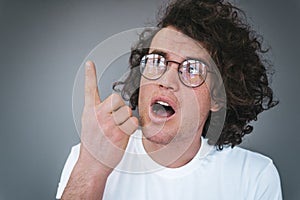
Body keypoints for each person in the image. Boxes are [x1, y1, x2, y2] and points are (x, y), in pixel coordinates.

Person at [56, 0, 282, 199]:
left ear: (218, 97)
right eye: (157, 61)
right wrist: (92, 168)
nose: (166, 80)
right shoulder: (87, 156)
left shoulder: (254, 176)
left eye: (192, 69)